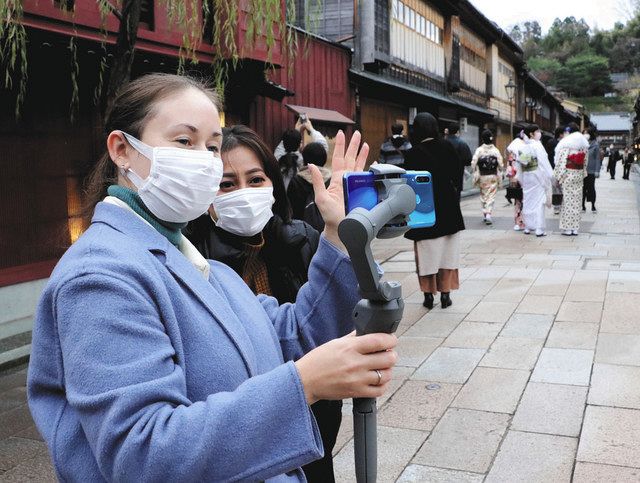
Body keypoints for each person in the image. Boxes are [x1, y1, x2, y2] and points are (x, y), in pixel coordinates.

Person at [27, 73, 398, 483]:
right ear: (122, 150)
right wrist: (303, 385)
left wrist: (337, 236)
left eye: (212, 146)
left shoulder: (202, 266)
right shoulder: (100, 276)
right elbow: (142, 453)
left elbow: (294, 334)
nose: (204, 159)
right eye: (184, 142)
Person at [186, 126, 340, 482]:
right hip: (231, 428)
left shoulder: (303, 240)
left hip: (312, 415)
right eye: (226, 184)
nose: (243, 193)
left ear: (272, 183)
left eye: (255, 180)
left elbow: (328, 321)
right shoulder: (191, 260)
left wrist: (343, 234)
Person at [404, 112, 465, 310]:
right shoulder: (448, 147)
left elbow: (408, 186)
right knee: (447, 252)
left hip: (424, 210)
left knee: (426, 252)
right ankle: (446, 294)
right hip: (448, 208)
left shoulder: (413, 153)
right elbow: (457, 176)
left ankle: (428, 295)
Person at [517, 124, 554, 237]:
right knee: (539, 202)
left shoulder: (523, 146)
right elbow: (543, 161)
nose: (539, 133)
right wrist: (550, 175)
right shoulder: (537, 145)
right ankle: (539, 228)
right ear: (531, 134)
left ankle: (528, 226)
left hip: (527, 175)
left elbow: (520, 164)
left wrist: (521, 178)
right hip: (537, 176)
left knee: (528, 201)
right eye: (537, 131)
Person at [554, 122, 589, 236]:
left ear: (569, 132)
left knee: (568, 201)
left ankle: (568, 228)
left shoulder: (566, 144)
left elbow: (561, 161)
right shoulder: (583, 145)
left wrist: (559, 176)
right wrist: (582, 173)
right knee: (577, 201)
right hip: (578, 174)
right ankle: (575, 228)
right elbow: (585, 161)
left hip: (568, 174)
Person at [288, 141, 331, 233]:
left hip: (302, 232)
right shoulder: (330, 180)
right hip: (326, 230)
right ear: (324, 159)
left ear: (304, 158)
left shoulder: (296, 181)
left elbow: (291, 211)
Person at [471, 129, 503, 225]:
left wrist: (475, 170)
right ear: (491, 139)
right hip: (492, 175)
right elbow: (500, 164)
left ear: (482, 139)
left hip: (482, 176)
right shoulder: (495, 150)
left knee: (483, 194)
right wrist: (500, 169)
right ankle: (488, 213)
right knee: (491, 195)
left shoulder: (479, 150)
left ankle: (485, 213)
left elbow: (473, 163)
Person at [506, 133, 526, 231]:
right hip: (525, 178)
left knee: (518, 201)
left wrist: (512, 179)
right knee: (525, 200)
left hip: (515, 178)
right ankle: (523, 222)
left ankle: (518, 222)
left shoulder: (512, 152)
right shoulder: (524, 149)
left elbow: (510, 168)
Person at [445, 125, 472, 195]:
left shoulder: (441, 143)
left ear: (448, 131)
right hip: (457, 176)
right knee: (456, 198)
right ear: (457, 132)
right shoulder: (462, 144)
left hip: (443, 177)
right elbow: (468, 161)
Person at [582, 126, 601, 212]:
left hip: (591, 170)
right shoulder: (581, 144)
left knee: (591, 188)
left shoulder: (595, 145)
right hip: (582, 170)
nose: (585, 135)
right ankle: (582, 205)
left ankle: (593, 205)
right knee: (582, 188)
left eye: (586, 133)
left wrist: (597, 170)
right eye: (584, 133)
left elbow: (597, 158)